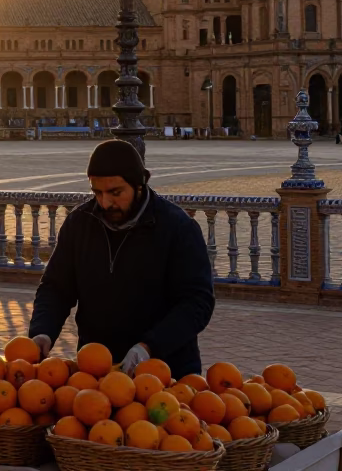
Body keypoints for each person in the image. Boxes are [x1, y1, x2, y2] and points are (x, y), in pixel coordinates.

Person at [28, 139, 215, 379]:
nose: (105, 203)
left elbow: (197, 302)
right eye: (97, 193)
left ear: (138, 185)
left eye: (115, 193)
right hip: (97, 372)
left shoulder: (177, 228)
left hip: (166, 374)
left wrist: (148, 347)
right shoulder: (80, 223)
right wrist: (43, 332)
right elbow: (56, 288)